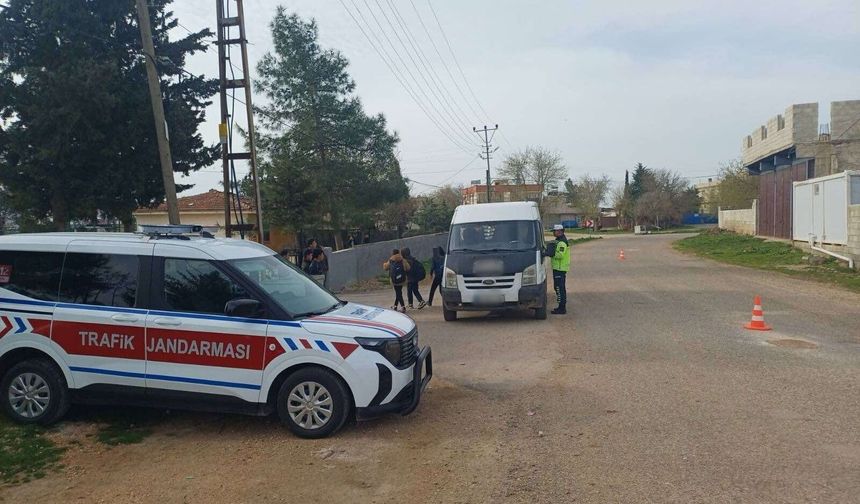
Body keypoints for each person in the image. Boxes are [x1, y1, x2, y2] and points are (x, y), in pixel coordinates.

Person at [550, 224, 571, 315]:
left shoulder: (562, 242)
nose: (554, 233)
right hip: (558, 268)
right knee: (558, 287)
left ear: (560, 231)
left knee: (559, 288)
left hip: (560, 269)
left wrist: (551, 253)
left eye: (555, 231)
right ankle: (561, 307)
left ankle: (562, 308)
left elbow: (560, 255)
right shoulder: (558, 241)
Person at [383, 248, 410, 313]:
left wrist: (384, 264)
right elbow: (408, 268)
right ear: (399, 253)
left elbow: (385, 268)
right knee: (399, 292)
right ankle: (395, 306)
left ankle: (403, 307)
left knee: (398, 293)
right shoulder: (403, 260)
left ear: (393, 253)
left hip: (394, 280)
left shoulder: (391, 260)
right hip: (402, 279)